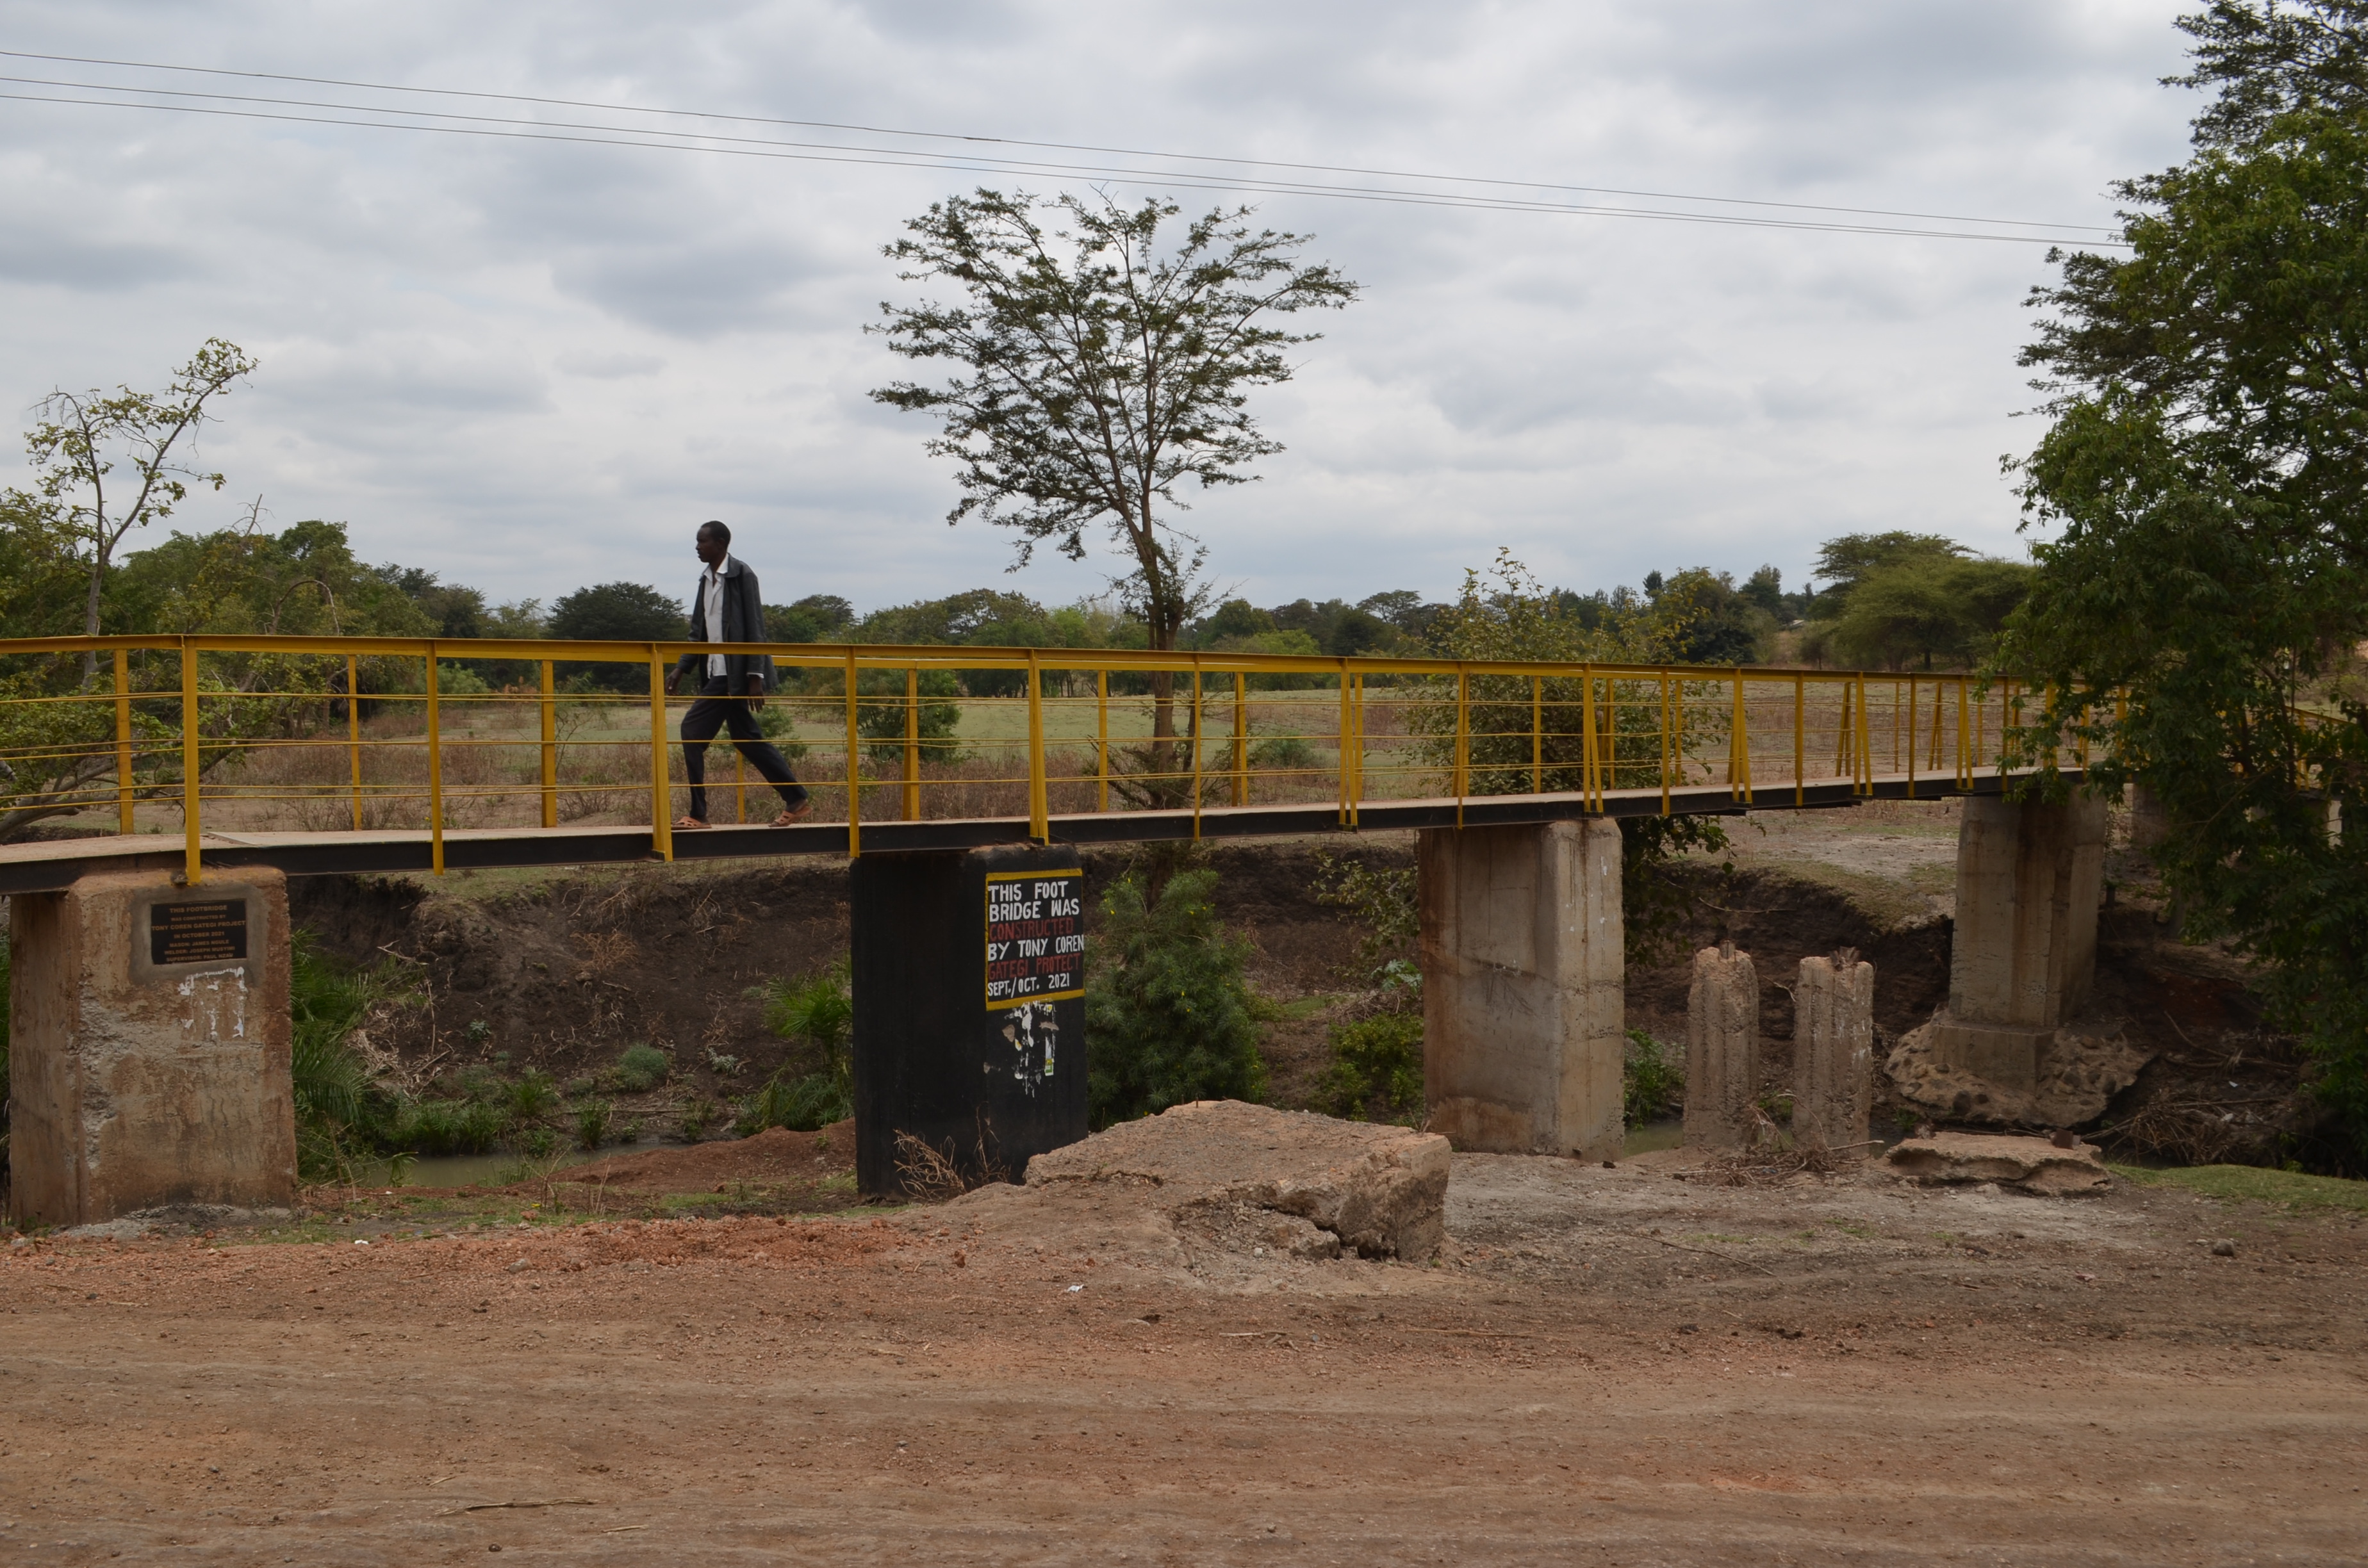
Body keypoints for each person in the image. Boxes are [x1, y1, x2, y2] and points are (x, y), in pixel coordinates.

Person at [666, 520, 811, 828]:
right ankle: (796, 799)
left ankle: (699, 813)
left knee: (691, 731)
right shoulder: (705, 580)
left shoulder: (742, 575)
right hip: (715, 670)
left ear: (720, 543)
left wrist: (755, 676)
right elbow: (698, 631)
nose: (697, 547)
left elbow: (756, 626)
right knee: (747, 739)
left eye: (702, 542)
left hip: (734, 675)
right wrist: (682, 667)